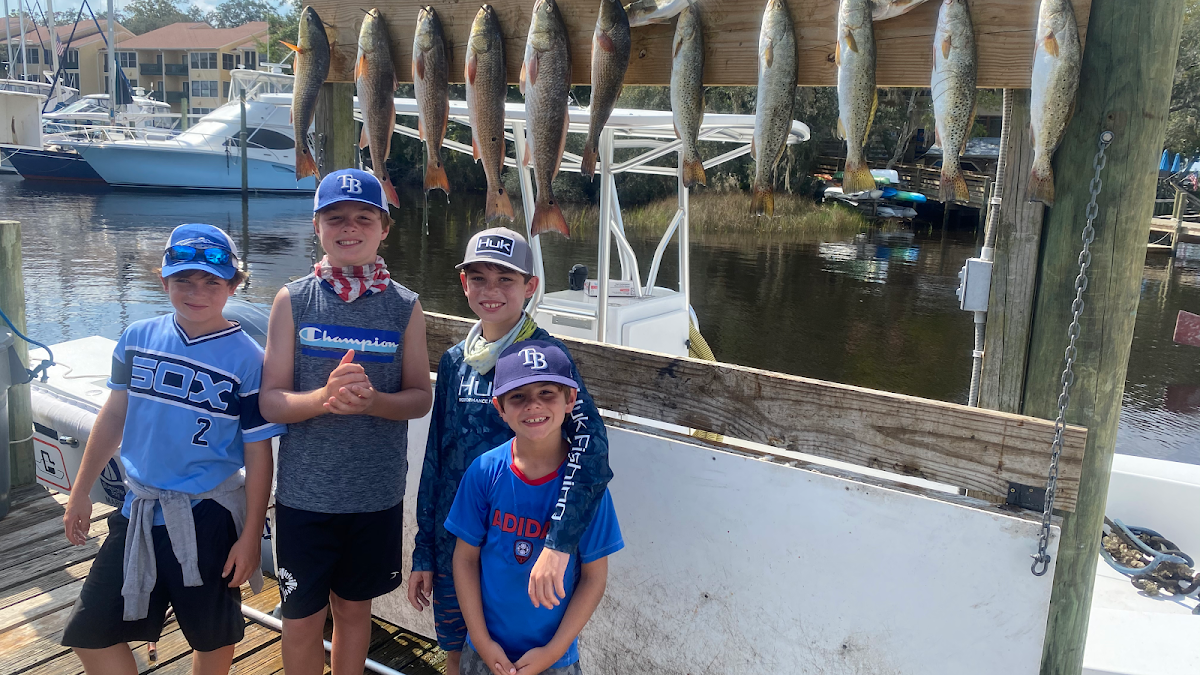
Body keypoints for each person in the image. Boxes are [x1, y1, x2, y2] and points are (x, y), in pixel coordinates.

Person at [60, 223, 284, 675]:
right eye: (183, 279)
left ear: (233, 286)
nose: (196, 292)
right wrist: (80, 490)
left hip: (208, 517)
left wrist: (249, 535)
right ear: (163, 280)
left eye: (211, 282)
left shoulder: (250, 360)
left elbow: (259, 454)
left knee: (212, 635)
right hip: (137, 508)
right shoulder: (136, 338)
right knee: (90, 633)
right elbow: (113, 415)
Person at [409, 227, 612, 675]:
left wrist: (560, 544)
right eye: (478, 278)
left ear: (530, 287)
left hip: (522, 544)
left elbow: (591, 451)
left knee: (516, 654)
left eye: (506, 279)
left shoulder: (548, 360)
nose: (491, 290)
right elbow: (436, 459)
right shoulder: (454, 360)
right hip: (457, 539)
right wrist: (424, 548)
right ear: (464, 285)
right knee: (459, 650)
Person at [260, 168, 433, 675]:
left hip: (374, 496)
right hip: (303, 498)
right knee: (300, 618)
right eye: (335, 217)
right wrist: (322, 399)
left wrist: (373, 402)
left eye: (363, 217)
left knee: (355, 611)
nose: (349, 227)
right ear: (317, 227)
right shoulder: (292, 300)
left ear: (383, 229)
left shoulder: (405, 307)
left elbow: (419, 397)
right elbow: (271, 402)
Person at [447, 340, 623, 675]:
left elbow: (593, 578)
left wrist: (552, 652)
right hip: (485, 651)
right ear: (499, 407)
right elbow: (464, 559)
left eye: (547, 393)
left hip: (554, 660)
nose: (533, 406)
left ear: (571, 399)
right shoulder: (484, 472)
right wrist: (482, 641)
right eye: (518, 397)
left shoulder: (586, 490)